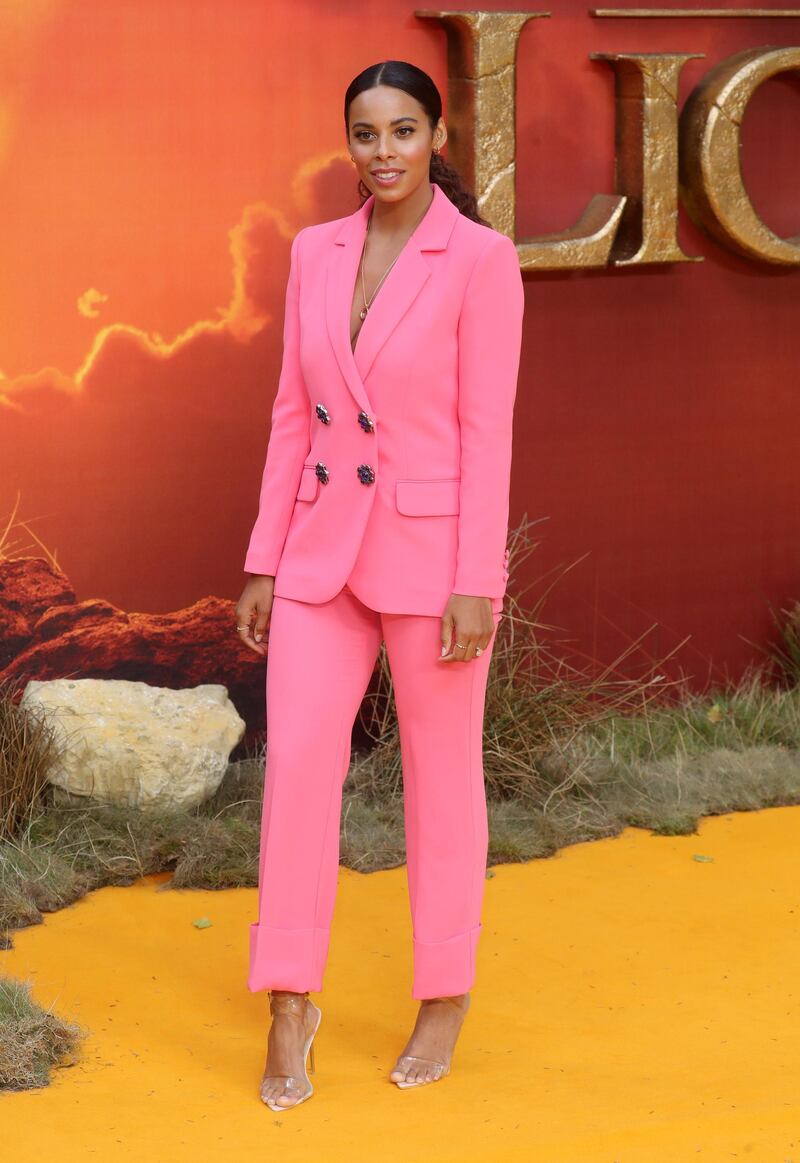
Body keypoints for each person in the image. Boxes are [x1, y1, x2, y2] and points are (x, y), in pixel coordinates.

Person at [235, 59, 525, 1110]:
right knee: (296, 776)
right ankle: (287, 999)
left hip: (430, 559)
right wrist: (265, 556)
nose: (384, 151)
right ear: (346, 143)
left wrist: (475, 578)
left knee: (441, 778)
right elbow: (289, 414)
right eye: (365, 133)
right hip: (319, 551)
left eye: (404, 129)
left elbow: (487, 433)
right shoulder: (315, 251)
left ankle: (443, 989)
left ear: (436, 133)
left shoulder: (481, 261)